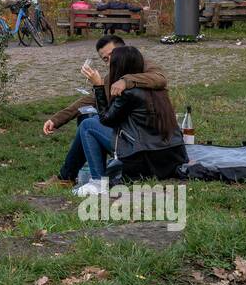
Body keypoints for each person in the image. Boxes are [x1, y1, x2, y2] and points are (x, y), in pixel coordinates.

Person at [41, 35, 168, 184]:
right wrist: (56, 120)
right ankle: (68, 176)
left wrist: (125, 81)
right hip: (131, 134)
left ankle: (95, 181)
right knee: (87, 117)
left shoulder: (144, 65)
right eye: (106, 59)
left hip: (144, 142)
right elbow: (90, 100)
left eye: (112, 54)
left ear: (123, 49)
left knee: (89, 125)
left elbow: (160, 79)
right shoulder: (111, 77)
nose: (110, 61)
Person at [74, 45, 187, 197]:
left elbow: (106, 119)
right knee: (92, 122)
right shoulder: (156, 87)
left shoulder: (127, 93)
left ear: (119, 67)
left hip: (144, 156)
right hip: (171, 154)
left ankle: (98, 182)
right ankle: (73, 173)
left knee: (88, 125)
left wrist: (99, 86)